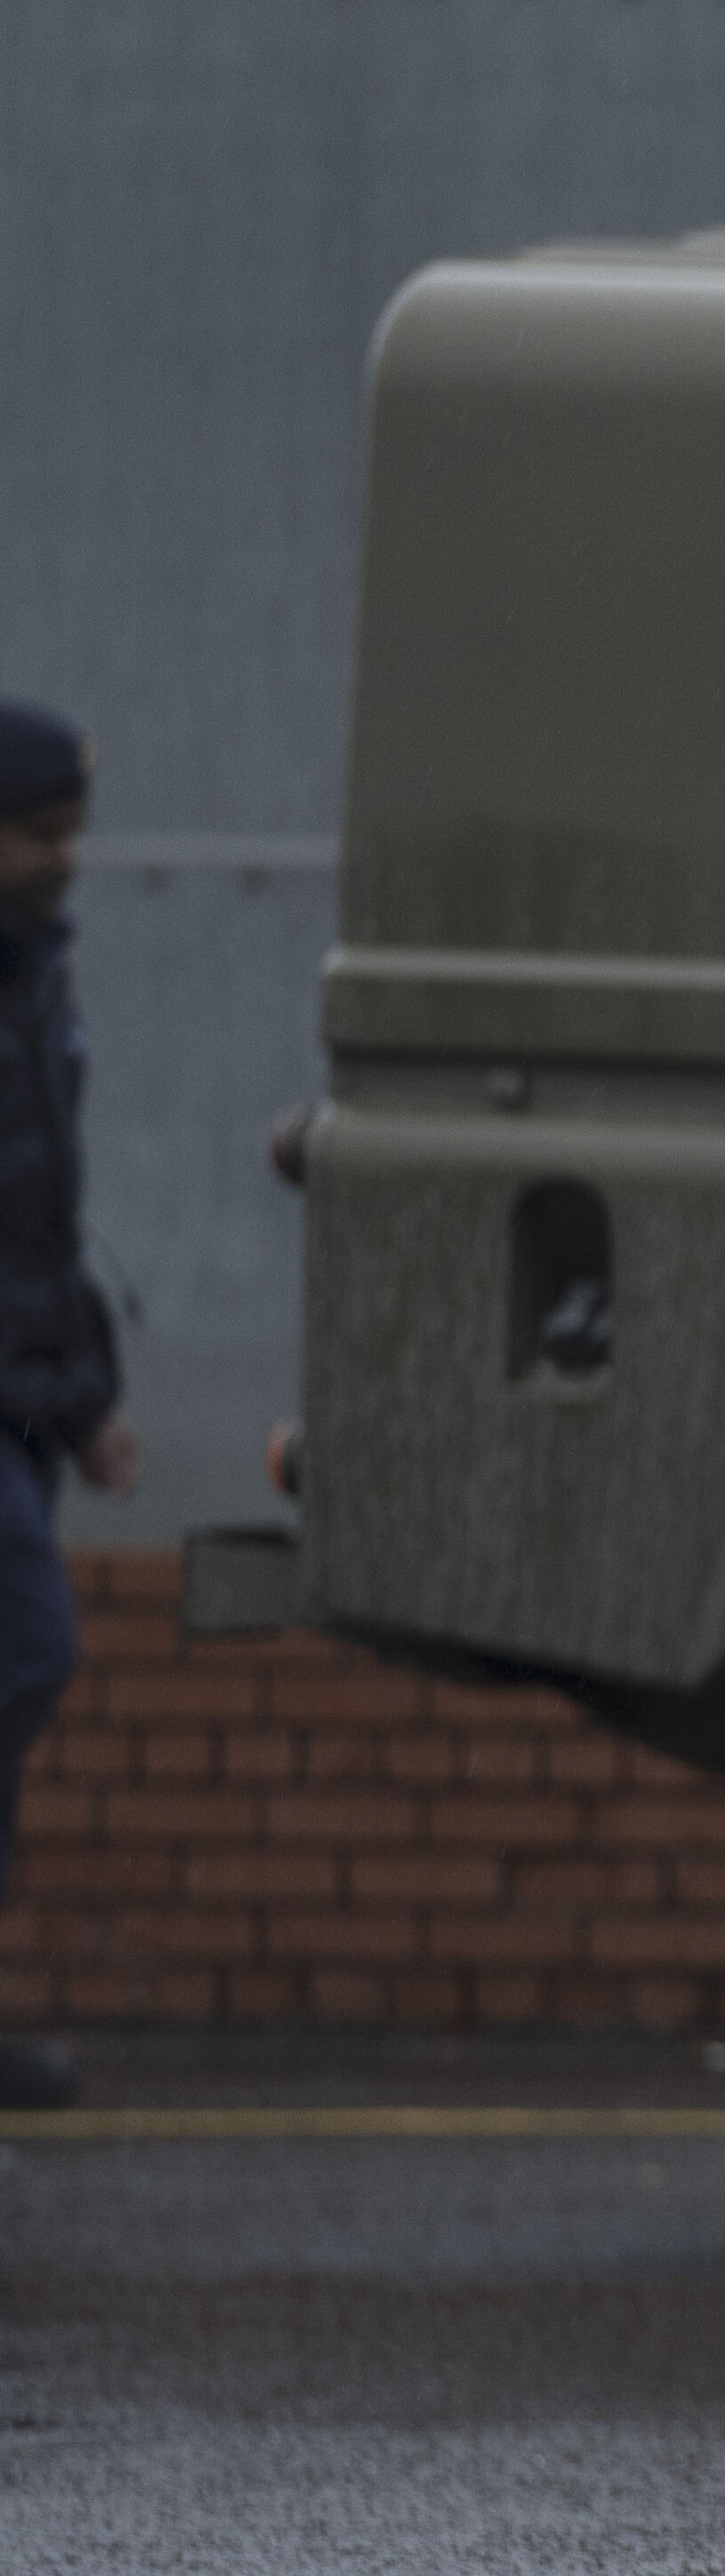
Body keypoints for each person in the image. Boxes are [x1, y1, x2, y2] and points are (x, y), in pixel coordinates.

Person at [0, 700, 134, 2116]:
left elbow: (44, 1223)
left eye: (72, 832)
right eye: (39, 833)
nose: (64, 858)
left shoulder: (35, 979)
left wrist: (86, 1403)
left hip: (23, 1408)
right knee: (28, 1643)